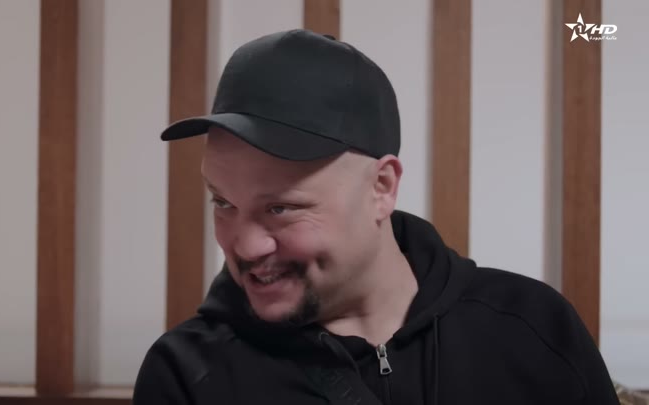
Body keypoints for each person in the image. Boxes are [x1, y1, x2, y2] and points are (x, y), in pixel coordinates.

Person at [133, 29, 619, 405]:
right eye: (223, 203)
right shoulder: (186, 374)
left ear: (381, 188)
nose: (244, 245)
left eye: (280, 208)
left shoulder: (533, 330)